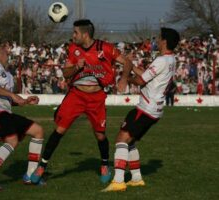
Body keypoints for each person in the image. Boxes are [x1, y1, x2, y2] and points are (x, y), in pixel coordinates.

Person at [30, 19, 133, 184]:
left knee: (100, 135)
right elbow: (66, 73)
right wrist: (76, 66)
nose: (73, 36)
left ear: (85, 35)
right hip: (76, 95)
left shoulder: (105, 48)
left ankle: (105, 165)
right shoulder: (73, 49)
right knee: (60, 130)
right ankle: (42, 166)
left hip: (96, 98)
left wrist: (124, 80)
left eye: (75, 33)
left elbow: (127, 61)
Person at [102, 27, 180, 192]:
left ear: (164, 41)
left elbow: (140, 81)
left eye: (159, 38)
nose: (156, 40)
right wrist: (127, 65)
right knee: (130, 141)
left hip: (146, 107)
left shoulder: (161, 60)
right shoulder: (171, 59)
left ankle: (118, 181)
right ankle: (136, 179)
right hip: (154, 109)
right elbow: (147, 75)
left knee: (121, 140)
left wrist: (125, 76)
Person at [0, 39, 45, 190]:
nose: (7, 50)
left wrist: (24, 101)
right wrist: (13, 96)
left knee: (37, 131)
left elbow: (6, 98)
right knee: (12, 140)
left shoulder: (6, 74)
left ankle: (30, 175)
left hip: (4, 112)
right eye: (3, 48)